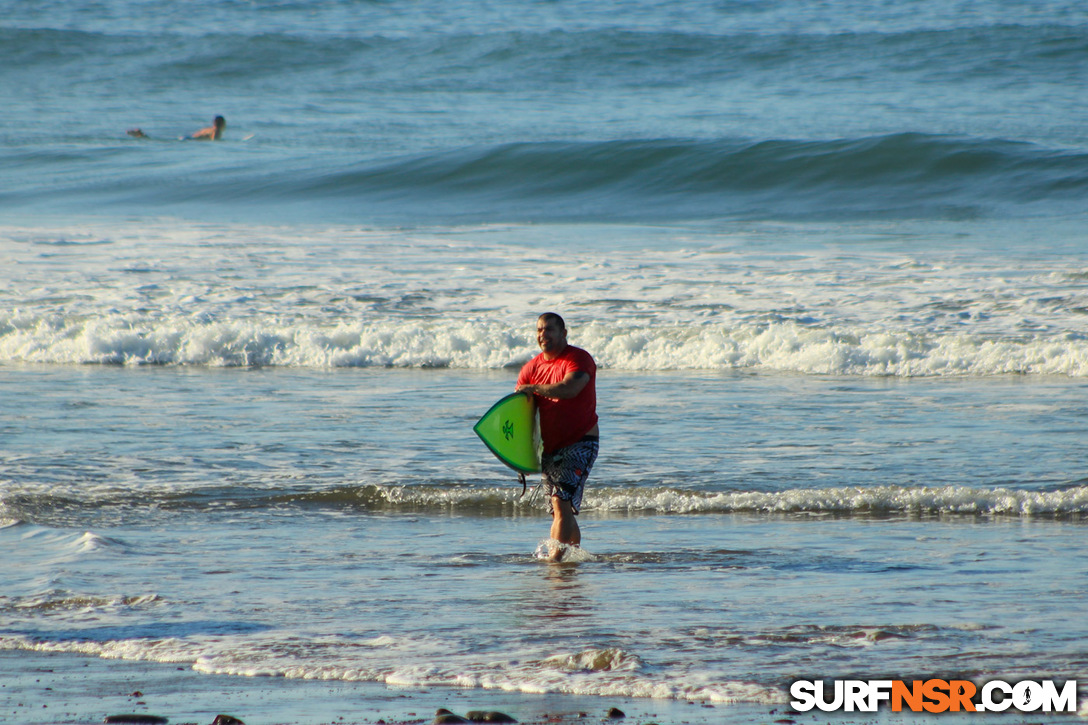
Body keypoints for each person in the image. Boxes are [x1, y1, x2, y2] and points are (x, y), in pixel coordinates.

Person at [515, 313, 599, 561]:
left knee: (560, 502)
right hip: (549, 448)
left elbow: (569, 388)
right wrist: (518, 457)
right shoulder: (531, 368)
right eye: (539, 330)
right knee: (558, 510)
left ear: (564, 333)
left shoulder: (578, 359)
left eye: (549, 329)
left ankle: (555, 561)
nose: (543, 335)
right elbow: (520, 415)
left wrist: (534, 388)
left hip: (580, 442)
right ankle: (571, 560)